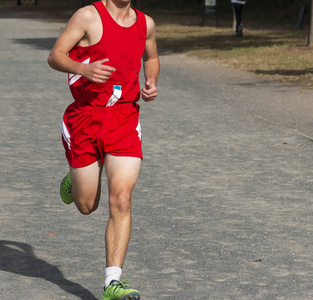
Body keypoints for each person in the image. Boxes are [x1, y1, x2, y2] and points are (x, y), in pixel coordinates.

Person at [47, 0, 160, 299]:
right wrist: (83, 68)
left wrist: (151, 81)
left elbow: (152, 56)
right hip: (85, 118)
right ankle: (77, 176)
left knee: (122, 199)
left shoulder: (145, 23)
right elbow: (55, 56)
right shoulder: (87, 16)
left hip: (124, 117)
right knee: (86, 205)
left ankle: (113, 282)